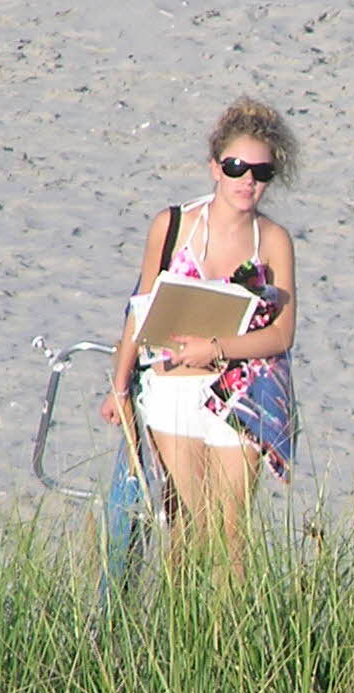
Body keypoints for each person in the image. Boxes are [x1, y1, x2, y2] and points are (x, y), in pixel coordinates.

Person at [99, 97, 299, 575]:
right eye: (236, 167)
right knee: (185, 528)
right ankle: (179, 643)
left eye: (261, 172)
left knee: (232, 535)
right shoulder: (171, 226)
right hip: (170, 386)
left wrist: (217, 349)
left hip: (243, 389)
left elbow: (282, 333)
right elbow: (139, 310)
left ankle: (230, 642)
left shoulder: (272, 239)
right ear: (214, 167)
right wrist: (119, 387)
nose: (248, 180)